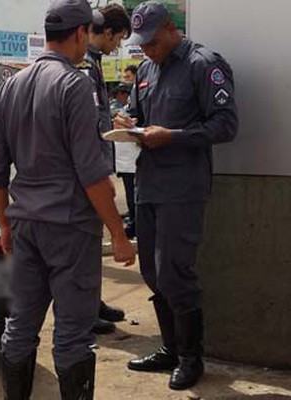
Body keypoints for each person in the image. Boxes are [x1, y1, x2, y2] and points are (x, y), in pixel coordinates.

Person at [0, 1, 136, 398]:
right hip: (69, 227)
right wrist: (118, 234)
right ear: (80, 33)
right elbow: (93, 173)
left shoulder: (12, 85)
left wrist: (4, 223)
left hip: (25, 225)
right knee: (73, 334)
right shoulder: (75, 85)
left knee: (20, 324)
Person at [114, 1, 238, 390]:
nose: (147, 50)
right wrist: (127, 121)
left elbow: (226, 124)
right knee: (152, 272)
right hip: (149, 184)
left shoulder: (204, 64)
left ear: (170, 28)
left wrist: (173, 137)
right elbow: (136, 110)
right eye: (142, 44)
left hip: (183, 187)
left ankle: (190, 357)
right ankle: (169, 348)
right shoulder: (147, 70)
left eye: (151, 42)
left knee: (175, 272)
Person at [80, 3, 132, 335]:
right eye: (119, 39)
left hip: (95, 164)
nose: (118, 47)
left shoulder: (93, 62)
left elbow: (94, 114)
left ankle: (92, 303)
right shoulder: (84, 64)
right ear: (107, 32)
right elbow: (81, 125)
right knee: (82, 245)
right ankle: (83, 313)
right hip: (87, 170)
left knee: (90, 242)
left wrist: (113, 121)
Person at [110, 82, 139, 239]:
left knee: (135, 196)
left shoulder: (131, 110)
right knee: (130, 196)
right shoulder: (118, 110)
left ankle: (135, 225)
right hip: (125, 161)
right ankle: (134, 224)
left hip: (133, 159)